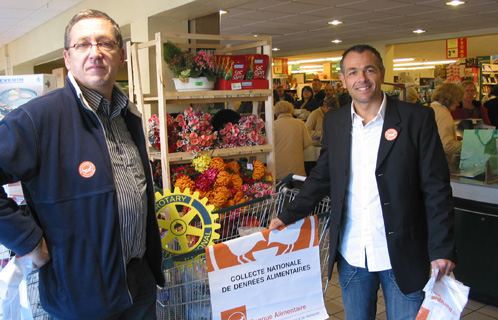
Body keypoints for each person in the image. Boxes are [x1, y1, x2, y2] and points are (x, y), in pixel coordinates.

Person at [270, 44, 456, 320]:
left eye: (369, 70)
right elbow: (322, 176)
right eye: (353, 72)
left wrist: (442, 248)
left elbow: (436, 188)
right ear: (343, 80)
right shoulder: (335, 122)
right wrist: (287, 216)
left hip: (404, 253)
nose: (362, 79)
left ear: (380, 73)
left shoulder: (416, 119)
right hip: (353, 253)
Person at [0, 9, 165, 319]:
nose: (95, 52)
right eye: (83, 44)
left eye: (105, 43)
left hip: (139, 282)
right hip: (82, 296)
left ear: (121, 55)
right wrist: (26, 239)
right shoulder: (38, 118)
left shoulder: (127, 115)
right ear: (67, 58)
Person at [273, 101, 311, 181]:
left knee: (281, 190)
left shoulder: (273, 125)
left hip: (279, 166)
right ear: (291, 110)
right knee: (297, 190)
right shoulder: (300, 123)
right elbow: (308, 142)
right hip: (296, 165)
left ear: (276, 111)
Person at [303, 96, 340, 176]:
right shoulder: (315, 114)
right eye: (330, 110)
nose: (332, 113)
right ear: (325, 105)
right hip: (315, 150)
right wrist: (321, 133)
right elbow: (307, 132)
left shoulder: (332, 115)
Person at [430, 82, 465, 166]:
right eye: (458, 100)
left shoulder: (432, 109)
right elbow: (446, 145)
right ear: (451, 99)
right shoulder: (444, 114)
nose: (458, 104)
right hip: (439, 162)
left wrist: (454, 138)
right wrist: (468, 145)